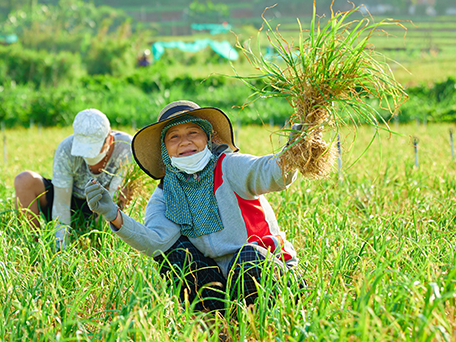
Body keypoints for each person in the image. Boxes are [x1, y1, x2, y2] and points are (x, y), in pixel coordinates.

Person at [84, 100, 300, 311]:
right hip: (222, 279)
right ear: (164, 149)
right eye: (174, 137)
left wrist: (294, 149)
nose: (185, 142)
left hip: (267, 266)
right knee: (175, 254)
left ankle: (263, 318)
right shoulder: (166, 193)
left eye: (193, 133)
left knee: (246, 259)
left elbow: (273, 174)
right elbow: (156, 242)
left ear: (208, 138)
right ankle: (216, 320)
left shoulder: (229, 166)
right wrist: (113, 214)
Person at [14, 109, 132, 249]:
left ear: (110, 140)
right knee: (24, 180)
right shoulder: (66, 149)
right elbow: (61, 204)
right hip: (71, 200)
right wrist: (60, 249)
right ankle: (30, 248)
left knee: (120, 199)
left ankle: (103, 246)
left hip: (102, 205)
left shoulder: (127, 148)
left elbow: (115, 197)